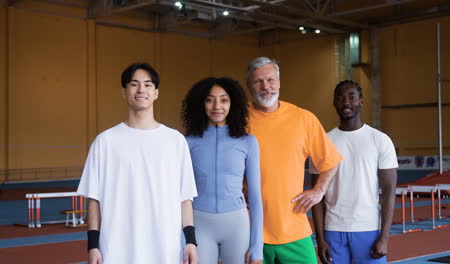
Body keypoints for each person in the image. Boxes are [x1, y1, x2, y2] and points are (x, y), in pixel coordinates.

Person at [77, 62, 198, 264]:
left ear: (156, 93)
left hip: (165, 249)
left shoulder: (175, 140)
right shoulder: (105, 141)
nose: (141, 89)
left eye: (148, 85)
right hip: (116, 250)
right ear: (124, 92)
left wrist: (191, 242)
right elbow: (94, 200)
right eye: (134, 84)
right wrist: (93, 246)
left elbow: (185, 198)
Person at [245, 57, 342, 264]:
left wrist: (319, 191)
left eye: (270, 80)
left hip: (295, 231)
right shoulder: (237, 120)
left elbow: (331, 161)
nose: (265, 87)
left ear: (279, 83)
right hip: (250, 232)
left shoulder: (304, 119)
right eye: (258, 82)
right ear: (249, 86)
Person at [312, 80, 398, 264]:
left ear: (361, 101)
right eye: (340, 98)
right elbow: (316, 197)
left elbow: (390, 191)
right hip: (333, 230)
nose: (346, 102)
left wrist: (384, 237)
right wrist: (320, 240)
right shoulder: (323, 142)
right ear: (334, 103)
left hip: (368, 229)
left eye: (351, 97)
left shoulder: (380, 140)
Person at [182, 77, 263, 264]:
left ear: (232, 104)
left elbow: (256, 196)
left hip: (237, 226)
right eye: (210, 100)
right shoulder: (188, 142)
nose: (217, 106)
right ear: (201, 104)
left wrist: (257, 247)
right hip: (200, 224)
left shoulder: (248, 142)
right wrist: (184, 238)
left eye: (224, 100)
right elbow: (181, 194)